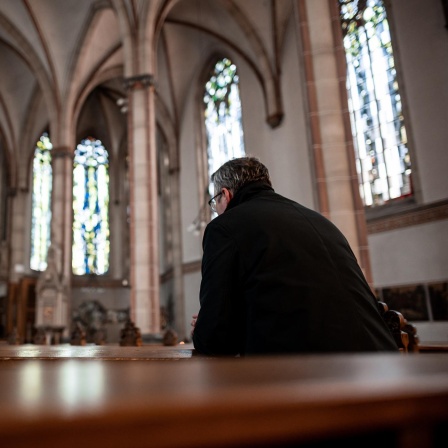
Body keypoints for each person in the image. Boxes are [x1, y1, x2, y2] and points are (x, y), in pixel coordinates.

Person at [191, 156, 398, 356]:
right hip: (382, 363)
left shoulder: (223, 227)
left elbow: (214, 339)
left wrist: (202, 328)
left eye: (214, 204)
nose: (216, 211)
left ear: (225, 195)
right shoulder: (319, 221)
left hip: (307, 376)